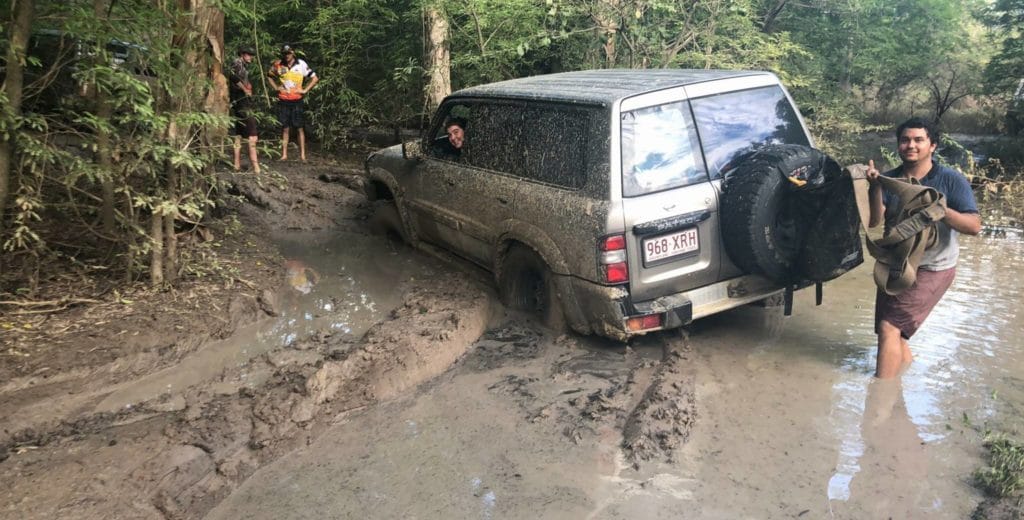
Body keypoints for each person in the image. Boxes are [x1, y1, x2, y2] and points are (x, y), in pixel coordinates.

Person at [865, 117, 981, 378]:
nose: (911, 145)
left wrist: (939, 210)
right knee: (895, 334)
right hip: (896, 264)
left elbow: (974, 226)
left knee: (889, 327)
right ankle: (897, 395)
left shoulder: (950, 180)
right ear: (898, 145)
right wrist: (874, 187)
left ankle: (878, 403)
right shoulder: (891, 178)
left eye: (919, 140)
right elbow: (875, 220)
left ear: (933, 146)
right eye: (905, 140)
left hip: (933, 267)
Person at [267, 45, 318, 161]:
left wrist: (305, 90)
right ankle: (284, 155)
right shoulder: (278, 64)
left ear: (293, 53)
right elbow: (269, 76)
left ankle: (302, 156)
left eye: (288, 53)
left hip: (297, 100)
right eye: (285, 53)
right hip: (283, 99)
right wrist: (276, 87)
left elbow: (314, 78)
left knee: (299, 127)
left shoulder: (301, 64)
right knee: (285, 127)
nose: (287, 55)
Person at [229, 46, 260, 173]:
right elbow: (233, 77)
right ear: (242, 54)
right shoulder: (237, 62)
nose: (251, 57)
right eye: (249, 54)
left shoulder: (243, 66)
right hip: (241, 104)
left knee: (239, 135)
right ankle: (256, 167)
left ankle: (236, 165)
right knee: (253, 136)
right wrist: (244, 89)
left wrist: (248, 87)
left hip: (240, 103)